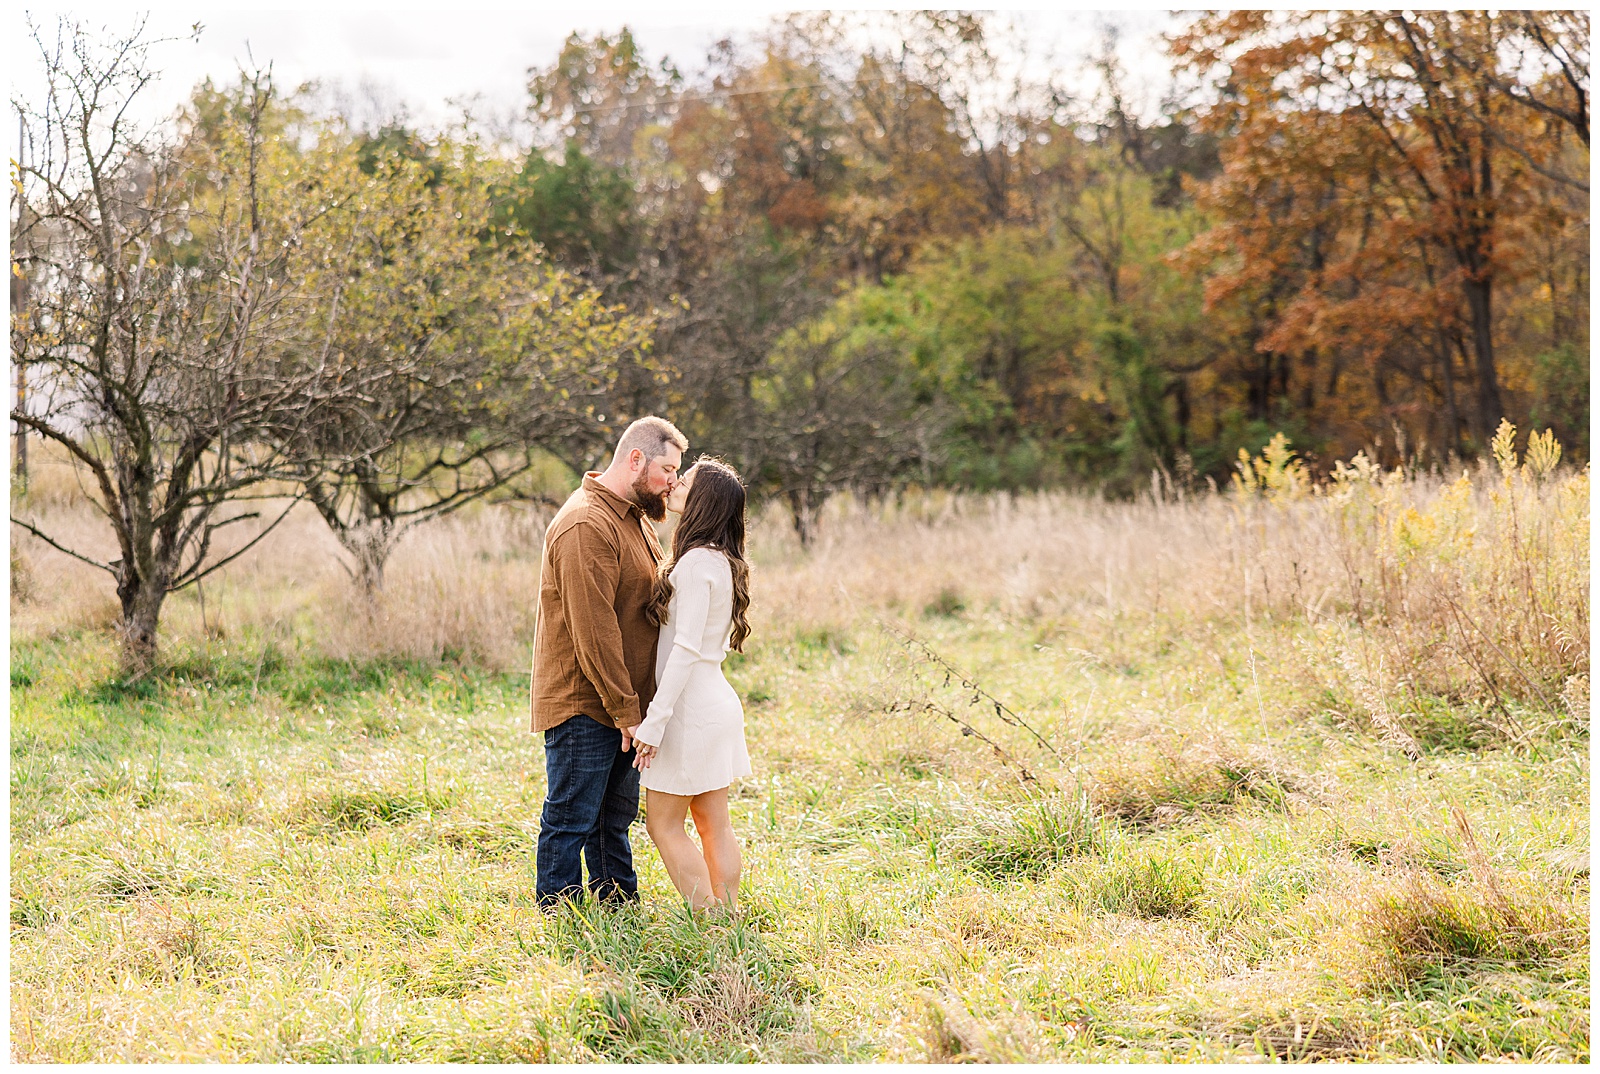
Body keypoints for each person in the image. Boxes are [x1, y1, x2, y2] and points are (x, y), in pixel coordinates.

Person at [530, 416, 686, 909]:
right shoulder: (585, 524)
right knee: (572, 817)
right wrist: (627, 713)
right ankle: (558, 916)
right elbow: (593, 632)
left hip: (626, 706)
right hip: (588, 704)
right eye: (667, 469)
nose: (672, 482)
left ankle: (618, 907)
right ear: (635, 459)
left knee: (612, 819)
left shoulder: (635, 516)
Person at [631, 457, 753, 910]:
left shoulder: (695, 562)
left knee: (662, 825)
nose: (674, 485)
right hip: (712, 699)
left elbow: (684, 650)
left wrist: (655, 722)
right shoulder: (721, 561)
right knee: (712, 821)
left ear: (703, 500)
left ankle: (710, 920)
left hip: (690, 708)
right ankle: (729, 916)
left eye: (684, 481)